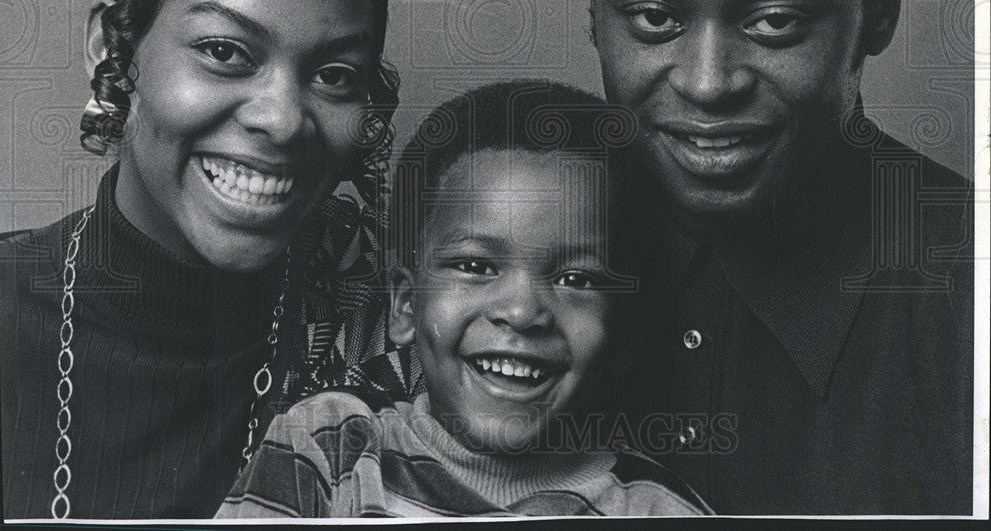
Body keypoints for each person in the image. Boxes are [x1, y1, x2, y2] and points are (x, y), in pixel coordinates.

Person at [574, 0, 974, 514]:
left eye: (775, 21)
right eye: (655, 18)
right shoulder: (496, 251)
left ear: (880, 8)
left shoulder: (969, 303)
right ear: (592, 4)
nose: (707, 80)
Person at [0, 0, 399, 519]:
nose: (281, 118)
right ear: (113, 45)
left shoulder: (405, 330)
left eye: (334, 74)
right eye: (224, 51)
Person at [216, 81, 712, 518]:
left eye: (576, 280)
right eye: (476, 267)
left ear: (624, 333)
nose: (520, 313)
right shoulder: (330, 451)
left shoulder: (657, 510)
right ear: (406, 305)